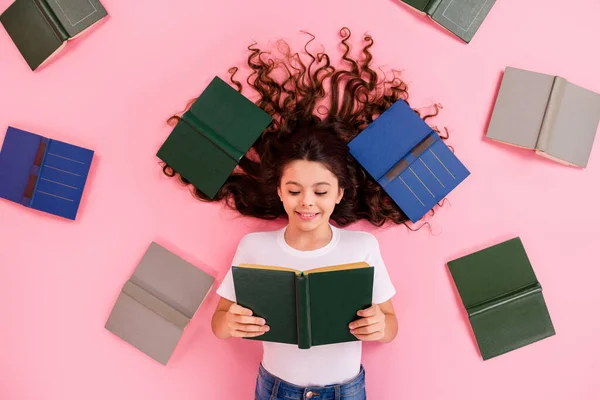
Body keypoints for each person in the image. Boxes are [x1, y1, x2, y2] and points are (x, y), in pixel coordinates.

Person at [163, 27, 445, 400]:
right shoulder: (253, 247)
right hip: (277, 389)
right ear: (279, 191)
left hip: (346, 390)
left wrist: (380, 325)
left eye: (321, 191)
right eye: (294, 191)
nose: (307, 202)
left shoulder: (362, 247)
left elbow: (390, 326)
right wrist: (229, 323)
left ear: (340, 193)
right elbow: (219, 323)